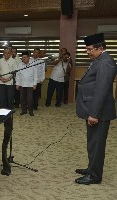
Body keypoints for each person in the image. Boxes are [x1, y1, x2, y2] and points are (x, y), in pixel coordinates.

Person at [75, 33, 117, 185]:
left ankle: (94, 176)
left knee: (97, 144)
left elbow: (102, 89)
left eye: (89, 49)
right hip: (93, 109)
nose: (88, 52)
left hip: (98, 112)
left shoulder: (106, 62)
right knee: (92, 142)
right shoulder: (99, 59)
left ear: (100, 48)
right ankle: (91, 168)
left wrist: (93, 114)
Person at [15, 51, 38, 116]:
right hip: (22, 84)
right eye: (22, 58)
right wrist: (17, 84)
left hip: (30, 85)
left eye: (25, 57)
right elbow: (18, 75)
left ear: (28, 57)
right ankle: (24, 110)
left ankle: (31, 111)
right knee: (22, 99)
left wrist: (35, 84)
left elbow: (35, 75)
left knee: (30, 99)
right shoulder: (20, 65)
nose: (23, 59)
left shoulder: (33, 64)